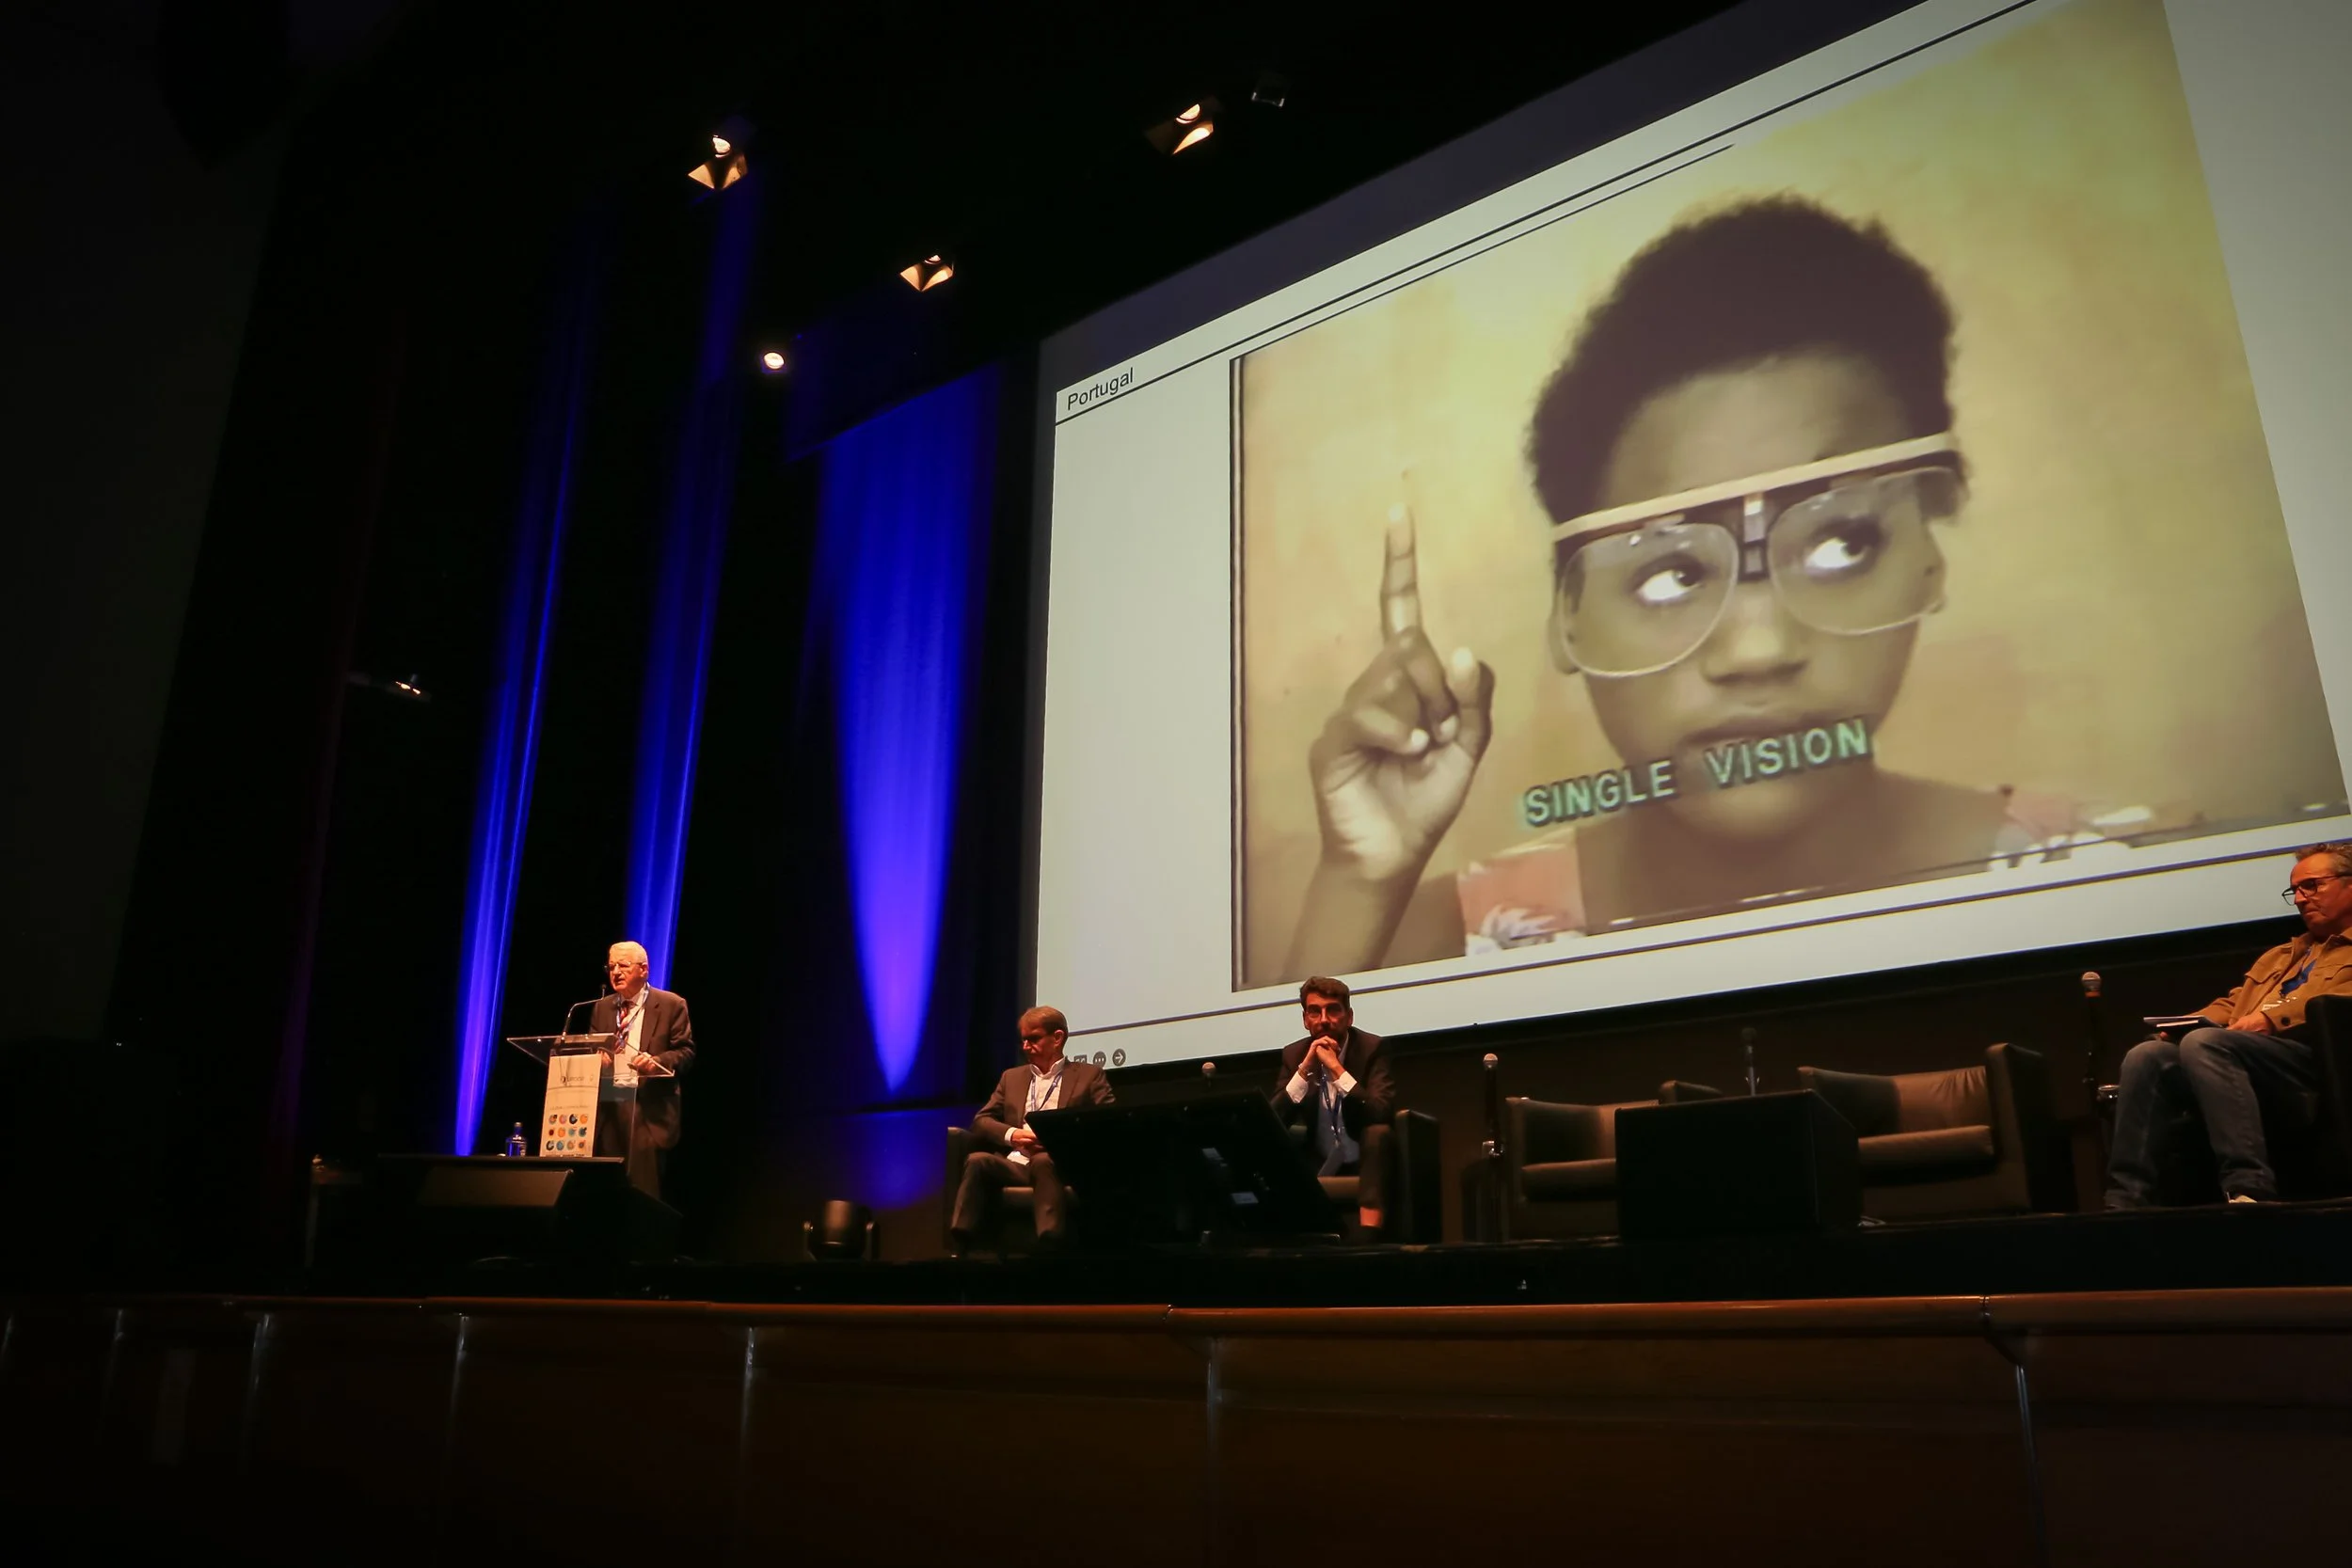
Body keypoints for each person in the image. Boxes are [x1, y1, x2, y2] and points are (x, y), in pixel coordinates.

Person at [1285, 198, 2103, 979]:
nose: (1759, 649)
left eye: (1839, 544)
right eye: (1671, 572)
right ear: (1568, 615)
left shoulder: (2103, 876)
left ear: (1929, 559)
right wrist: (1358, 881)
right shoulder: (1439, 943)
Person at [2106, 843, 2352, 1208]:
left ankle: (2248, 1187)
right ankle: (2126, 1200)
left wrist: (2270, 1019)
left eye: (2312, 886)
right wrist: (2184, 1024)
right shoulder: (2282, 955)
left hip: (2316, 1061)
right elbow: (2233, 1003)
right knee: (2148, 1056)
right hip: (2244, 1055)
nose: (2301, 899)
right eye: (2295, 891)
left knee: (2206, 1043)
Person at [950, 1006, 1114, 1254]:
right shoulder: (1011, 1077)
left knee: (1043, 1161)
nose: (1026, 1046)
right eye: (1023, 1040)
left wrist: (1059, 1138)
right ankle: (960, 1240)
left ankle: (1049, 1242)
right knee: (977, 1160)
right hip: (1016, 1163)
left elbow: (1108, 1120)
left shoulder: (1089, 1076)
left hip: (1058, 1163)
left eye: (1034, 1039)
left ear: (1057, 1038)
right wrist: (1014, 1135)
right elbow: (981, 1120)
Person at [1269, 976, 1396, 1234]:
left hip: (1365, 1158)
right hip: (1319, 1159)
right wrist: (1305, 1070)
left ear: (1349, 1017)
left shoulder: (1373, 1049)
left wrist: (1336, 1068)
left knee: (1378, 1133)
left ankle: (1368, 1235)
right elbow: (1274, 1119)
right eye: (1315, 1012)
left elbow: (1380, 1112)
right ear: (1305, 1020)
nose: (1324, 1020)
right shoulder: (1294, 1055)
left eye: (1333, 1010)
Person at [589, 941, 696, 1198]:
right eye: (611, 966)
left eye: (623, 966)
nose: (616, 972)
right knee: (606, 1194)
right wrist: (598, 1059)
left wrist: (656, 1061)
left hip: (647, 1110)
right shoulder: (601, 1007)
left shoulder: (671, 1004)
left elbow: (685, 1053)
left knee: (642, 1194)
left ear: (644, 970)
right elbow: (593, 1048)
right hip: (609, 1106)